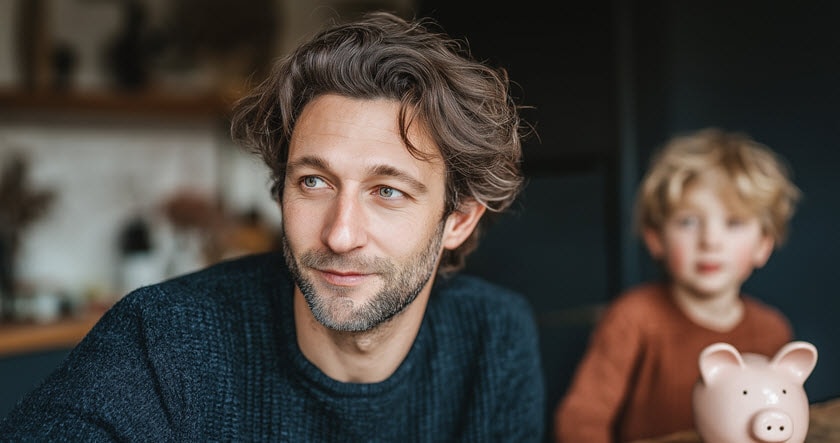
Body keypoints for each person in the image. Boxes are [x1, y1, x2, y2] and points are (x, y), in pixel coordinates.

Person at [0, 11, 545, 441]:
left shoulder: (493, 335)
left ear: (459, 219)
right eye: (313, 182)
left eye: (387, 192)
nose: (339, 234)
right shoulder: (166, 337)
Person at [553, 128, 801, 443]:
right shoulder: (633, 318)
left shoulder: (771, 330)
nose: (710, 240)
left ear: (763, 245)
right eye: (688, 222)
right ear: (656, 238)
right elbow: (581, 420)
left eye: (734, 223)